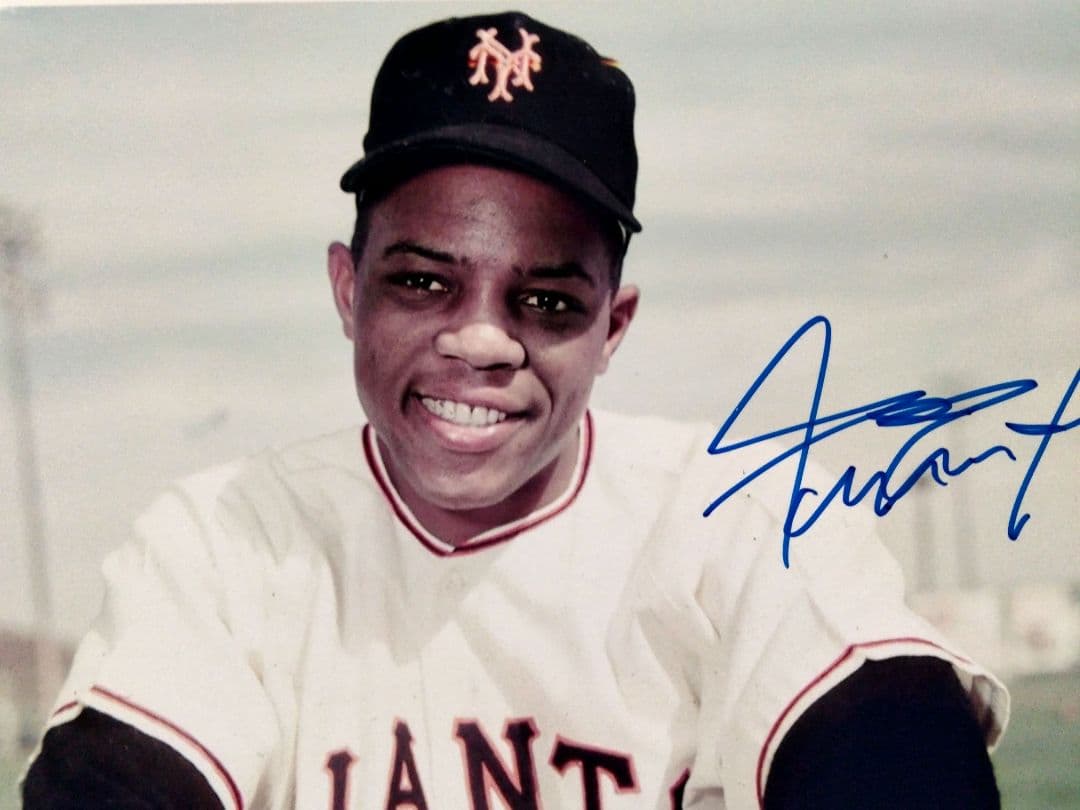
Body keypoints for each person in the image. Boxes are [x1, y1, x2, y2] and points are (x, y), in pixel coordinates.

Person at [23, 11, 1007, 809]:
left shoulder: (740, 514)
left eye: (547, 302)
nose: (482, 340)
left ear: (613, 326)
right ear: (348, 289)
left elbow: (899, 750)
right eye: (422, 283)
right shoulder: (225, 540)